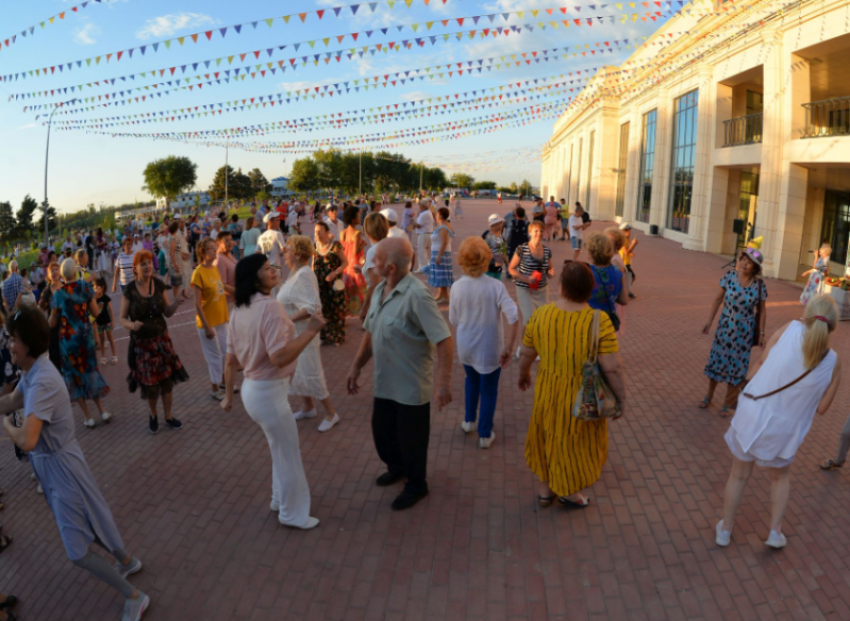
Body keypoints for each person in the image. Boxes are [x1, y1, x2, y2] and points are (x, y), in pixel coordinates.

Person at [0, 306, 150, 621]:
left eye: (13, 339)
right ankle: (127, 561)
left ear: (28, 342)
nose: (9, 345)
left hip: (60, 468)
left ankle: (134, 596)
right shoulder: (34, 371)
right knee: (89, 519)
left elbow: (26, 439)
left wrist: (6, 426)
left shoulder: (42, 380)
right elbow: (13, 400)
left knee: (77, 551)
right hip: (55, 466)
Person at [717, 295, 840, 549]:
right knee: (780, 478)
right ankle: (774, 533)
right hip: (786, 430)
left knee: (739, 475)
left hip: (754, 412)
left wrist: (744, 391)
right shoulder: (834, 362)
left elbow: (761, 362)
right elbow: (822, 408)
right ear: (833, 325)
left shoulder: (790, 329)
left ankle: (725, 530)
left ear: (807, 314)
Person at [346, 238, 453, 511]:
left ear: (391, 267)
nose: (373, 264)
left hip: (410, 388)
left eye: (377, 260)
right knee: (382, 433)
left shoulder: (417, 296)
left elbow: (443, 339)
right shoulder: (382, 288)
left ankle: (417, 484)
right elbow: (370, 333)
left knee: (412, 441)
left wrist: (443, 383)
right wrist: (356, 366)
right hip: (385, 383)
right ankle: (397, 467)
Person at [221, 254, 325, 529]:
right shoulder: (270, 308)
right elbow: (279, 357)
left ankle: (280, 500)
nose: (273, 271)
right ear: (254, 278)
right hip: (268, 393)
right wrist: (311, 331)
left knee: (279, 449)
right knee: (288, 454)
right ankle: (293, 514)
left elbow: (231, 361)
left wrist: (229, 396)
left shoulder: (239, 310)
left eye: (271, 266)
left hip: (254, 392)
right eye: (266, 269)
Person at [518, 261, 626, 508]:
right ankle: (569, 492)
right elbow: (612, 367)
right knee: (575, 443)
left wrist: (522, 375)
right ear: (590, 289)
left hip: (547, 392)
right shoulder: (599, 321)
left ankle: (545, 490)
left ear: (562, 287)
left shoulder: (542, 314)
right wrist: (622, 399)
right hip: (582, 396)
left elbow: (526, 353)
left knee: (546, 435)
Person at [450, 237, 518, 449]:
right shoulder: (495, 286)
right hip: (489, 349)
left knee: (471, 380)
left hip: (466, 346)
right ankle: (485, 433)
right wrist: (508, 347)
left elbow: (453, 319)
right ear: (486, 259)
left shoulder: (457, 287)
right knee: (488, 389)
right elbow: (513, 315)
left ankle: (470, 421)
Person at [120, 251, 189, 434]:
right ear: (135, 268)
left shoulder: (158, 285)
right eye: (143, 264)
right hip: (143, 346)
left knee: (166, 382)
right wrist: (131, 324)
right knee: (151, 386)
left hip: (162, 342)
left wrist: (178, 301)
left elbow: (167, 311)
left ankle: (168, 415)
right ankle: (153, 414)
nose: (148, 266)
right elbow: (121, 318)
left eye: (149, 263)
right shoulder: (130, 290)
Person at [277, 236, 340, 432]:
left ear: (296, 254)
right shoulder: (294, 273)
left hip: (304, 333)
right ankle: (307, 407)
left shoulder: (303, 274)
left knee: (311, 370)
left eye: (286, 251)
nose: (283, 254)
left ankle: (331, 413)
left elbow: (312, 307)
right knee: (298, 370)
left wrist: (288, 320)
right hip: (294, 334)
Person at [701, 247, 768, 418]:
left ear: (755, 267)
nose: (745, 263)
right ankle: (709, 396)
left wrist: (761, 333)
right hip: (725, 327)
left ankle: (727, 403)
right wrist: (709, 321)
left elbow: (762, 310)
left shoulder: (759, 286)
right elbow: (717, 300)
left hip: (744, 333)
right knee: (717, 361)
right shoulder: (729, 277)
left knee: (738, 367)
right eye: (743, 259)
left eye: (750, 262)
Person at [49, 259, 111, 428]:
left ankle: (88, 416)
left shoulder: (59, 294)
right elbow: (96, 313)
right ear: (75, 272)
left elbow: (52, 323)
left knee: (73, 376)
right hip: (86, 337)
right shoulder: (84, 287)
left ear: (62, 274)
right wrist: (96, 299)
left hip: (68, 341)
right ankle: (102, 410)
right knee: (90, 371)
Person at [508, 221, 554, 358]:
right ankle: (523, 346)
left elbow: (549, 270)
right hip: (524, 289)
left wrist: (551, 273)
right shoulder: (522, 249)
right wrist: (526, 278)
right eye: (536, 231)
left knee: (540, 319)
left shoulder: (547, 251)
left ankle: (537, 346)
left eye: (541, 231)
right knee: (528, 319)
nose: (539, 234)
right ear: (530, 232)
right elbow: (511, 268)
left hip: (541, 290)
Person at [192, 239, 229, 401]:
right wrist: (206, 327)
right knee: (214, 356)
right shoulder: (198, 273)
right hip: (208, 323)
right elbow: (197, 304)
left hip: (222, 319)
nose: (215, 251)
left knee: (226, 353)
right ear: (202, 252)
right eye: (211, 249)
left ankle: (223, 382)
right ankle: (214, 388)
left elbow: (221, 289)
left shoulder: (214, 269)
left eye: (215, 248)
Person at [313, 221, 348, 345]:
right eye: (315, 232)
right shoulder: (315, 246)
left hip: (335, 284)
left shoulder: (335, 246)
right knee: (323, 309)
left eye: (319, 231)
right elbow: (313, 266)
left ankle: (337, 337)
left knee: (337, 310)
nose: (317, 234)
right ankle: (326, 336)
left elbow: (345, 262)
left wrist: (334, 273)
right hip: (321, 285)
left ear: (327, 232)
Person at [586, 233, 629, 332]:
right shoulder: (617, 272)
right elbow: (624, 300)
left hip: (589, 323)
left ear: (591, 252)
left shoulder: (587, 273)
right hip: (607, 324)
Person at [360, 212, 390, 322]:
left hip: (381, 302)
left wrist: (364, 308)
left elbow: (375, 284)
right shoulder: (392, 244)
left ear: (368, 231)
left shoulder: (373, 251)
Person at [340, 206, 367, 316]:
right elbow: (356, 251)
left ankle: (345, 315)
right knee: (361, 291)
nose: (360, 218)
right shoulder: (357, 233)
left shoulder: (343, 232)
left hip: (346, 265)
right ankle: (363, 315)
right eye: (358, 216)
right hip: (355, 266)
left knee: (346, 291)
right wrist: (364, 244)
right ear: (353, 219)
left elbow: (342, 248)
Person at [428, 207, 455, 303]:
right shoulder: (445, 225)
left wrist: (439, 256)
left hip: (441, 253)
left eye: (437, 214)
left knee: (441, 274)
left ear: (440, 215)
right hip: (441, 252)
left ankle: (443, 295)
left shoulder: (443, 227)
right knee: (441, 274)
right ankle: (443, 295)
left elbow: (444, 242)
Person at [256, 212, 286, 295]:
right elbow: (284, 249)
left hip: (265, 269)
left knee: (267, 292)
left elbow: (257, 252)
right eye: (277, 220)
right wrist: (281, 253)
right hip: (275, 268)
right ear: (270, 222)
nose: (279, 222)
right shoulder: (277, 234)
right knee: (277, 292)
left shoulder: (261, 237)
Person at [93, 277, 118, 366]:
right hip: (99, 322)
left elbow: (110, 310)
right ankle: (103, 357)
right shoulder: (94, 299)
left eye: (97, 287)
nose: (95, 289)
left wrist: (113, 321)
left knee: (110, 338)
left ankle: (114, 355)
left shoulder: (106, 298)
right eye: (94, 287)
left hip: (107, 321)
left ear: (102, 288)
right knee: (102, 339)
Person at [214, 231, 237, 311]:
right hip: (228, 303)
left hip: (235, 300)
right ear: (218, 244)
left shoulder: (228, 254)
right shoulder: (219, 259)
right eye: (226, 241)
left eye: (231, 239)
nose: (230, 243)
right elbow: (221, 285)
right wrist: (239, 291)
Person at [483, 214, 508, 280]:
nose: (501, 225)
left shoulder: (501, 236)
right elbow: (481, 252)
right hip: (488, 270)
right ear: (493, 225)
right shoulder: (486, 235)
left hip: (498, 270)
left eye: (501, 223)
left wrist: (509, 266)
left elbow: (504, 253)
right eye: (499, 223)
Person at [506, 205, 529, 273]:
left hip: (514, 244)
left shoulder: (513, 223)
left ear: (516, 214)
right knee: (523, 259)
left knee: (512, 258)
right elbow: (529, 236)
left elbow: (508, 234)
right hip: (524, 244)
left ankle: (511, 272)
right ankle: (522, 272)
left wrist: (506, 242)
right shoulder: (527, 223)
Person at [413, 201, 434, 274]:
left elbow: (418, 225)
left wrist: (412, 222)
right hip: (426, 233)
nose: (419, 207)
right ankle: (425, 265)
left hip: (423, 233)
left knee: (421, 251)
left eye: (420, 206)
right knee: (423, 251)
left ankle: (422, 267)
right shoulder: (426, 212)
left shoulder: (425, 214)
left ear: (423, 206)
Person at [619, 222, 638, 299]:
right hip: (624, 263)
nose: (629, 233)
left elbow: (628, 251)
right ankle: (626, 292)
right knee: (631, 277)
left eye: (629, 231)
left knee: (628, 278)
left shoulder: (626, 240)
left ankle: (626, 291)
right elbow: (626, 251)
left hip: (626, 262)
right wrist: (633, 244)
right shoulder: (622, 240)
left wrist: (631, 252)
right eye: (627, 231)